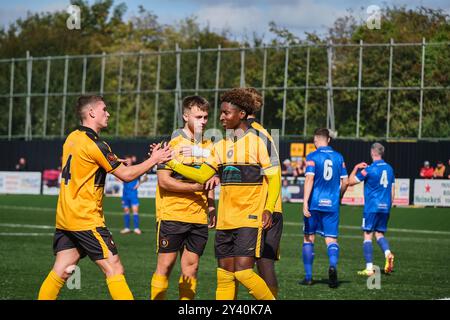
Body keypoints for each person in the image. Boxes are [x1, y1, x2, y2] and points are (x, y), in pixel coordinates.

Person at [37, 95, 172, 300]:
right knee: (115, 269)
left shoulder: (72, 137)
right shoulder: (96, 144)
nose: (108, 113)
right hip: (85, 218)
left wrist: (115, 160)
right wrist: (155, 159)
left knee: (62, 270)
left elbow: (86, 162)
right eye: (104, 109)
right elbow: (126, 176)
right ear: (91, 112)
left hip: (65, 217)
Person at [165, 88, 281, 300]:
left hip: (249, 217)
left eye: (226, 113)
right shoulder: (220, 145)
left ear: (242, 114)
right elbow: (202, 175)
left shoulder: (261, 140)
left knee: (244, 272)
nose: (221, 117)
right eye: (221, 112)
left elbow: (274, 178)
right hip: (226, 220)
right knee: (225, 275)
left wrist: (268, 208)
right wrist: (171, 162)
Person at [150, 96, 216, 300]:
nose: (203, 121)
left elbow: (211, 180)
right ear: (185, 116)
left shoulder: (210, 147)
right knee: (166, 266)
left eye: (205, 117)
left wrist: (211, 205)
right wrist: (196, 187)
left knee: (191, 268)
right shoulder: (171, 145)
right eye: (198, 117)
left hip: (198, 218)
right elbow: (164, 182)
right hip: (173, 214)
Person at [246, 87, 283, 299]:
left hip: (262, 207)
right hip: (271, 205)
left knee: (238, 264)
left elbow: (272, 173)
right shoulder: (262, 131)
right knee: (264, 262)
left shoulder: (251, 133)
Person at [301, 128, 348, 288]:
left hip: (314, 204)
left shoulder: (313, 156)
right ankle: (333, 265)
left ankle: (308, 277)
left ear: (315, 141)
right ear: (328, 139)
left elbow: (309, 179)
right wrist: (339, 196)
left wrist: (305, 202)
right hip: (332, 204)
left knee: (309, 238)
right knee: (331, 239)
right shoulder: (339, 157)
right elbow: (345, 182)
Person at [348, 143, 395, 276]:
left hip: (371, 208)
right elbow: (392, 190)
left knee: (367, 235)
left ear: (372, 153)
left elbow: (350, 181)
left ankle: (369, 268)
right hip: (385, 207)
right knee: (379, 234)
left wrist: (356, 167)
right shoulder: (390, 169)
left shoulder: (369, 169)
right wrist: (388, 206)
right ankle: (387, 253)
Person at [120, 155, 143, 235]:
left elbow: (144, 177)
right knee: (126, 210)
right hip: (125, 193)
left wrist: (138, 184)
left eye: (129, 160)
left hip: (133, 193)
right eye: (127, 160)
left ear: (132, 161)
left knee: (135, 211)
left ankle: (136, 228)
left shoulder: (135, 169)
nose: (128, 162)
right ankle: (127, 228)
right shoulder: (122, 169)